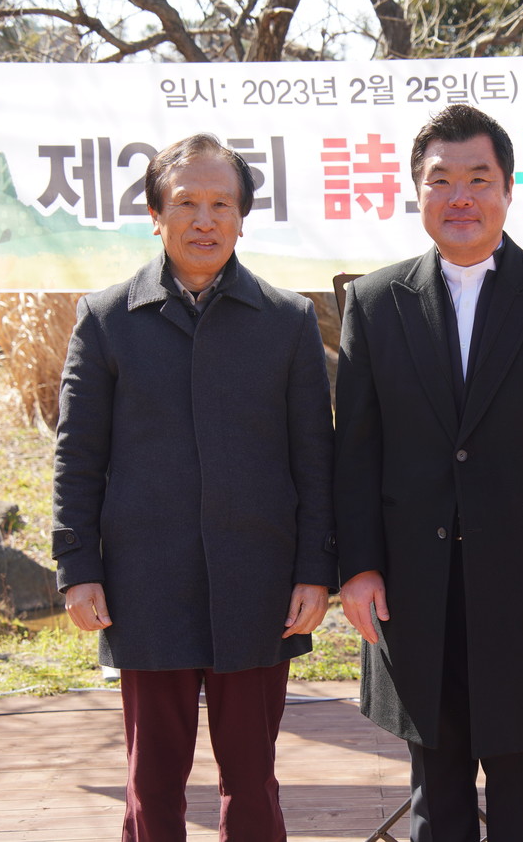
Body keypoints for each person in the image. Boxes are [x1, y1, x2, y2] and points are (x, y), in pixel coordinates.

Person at [334, 104, 523, 842]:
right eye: (441, 180)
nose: (459, 196)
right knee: (436, 782)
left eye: (478, 179)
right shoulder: (372, 303)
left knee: (522, 778)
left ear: (508, 189)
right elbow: (357, 451)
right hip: (413, 584)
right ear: (416, 191)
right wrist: (358, 567)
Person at [51, 133, 336, 842]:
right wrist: (77, 566)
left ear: (243, 218)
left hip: (258, 583)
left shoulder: (287, 320)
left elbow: (315, 460)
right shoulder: (108, 318)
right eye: (186, 203)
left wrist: (313, 571)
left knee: (252, 777)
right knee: (153, 779)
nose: (203, 220)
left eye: (221, 204)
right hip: (145, 583)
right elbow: (77, 455)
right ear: (155, 214)